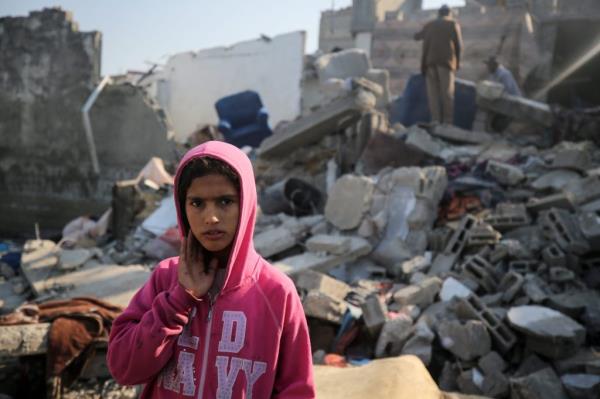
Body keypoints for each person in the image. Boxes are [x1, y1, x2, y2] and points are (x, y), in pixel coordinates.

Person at [107, 141, 315, 398]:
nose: (211, 217)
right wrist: (178, 301)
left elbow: (297, 390)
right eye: (197, 203)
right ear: (182, 208)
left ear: (246, 204)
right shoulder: (165, 278)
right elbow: (123, 369)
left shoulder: (276, 292)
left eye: (225, 201)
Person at [414, 4, 463, 125]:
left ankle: (435, 120)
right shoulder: (452, 24)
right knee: (447, 93)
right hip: (446, 63)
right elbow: (459, 46)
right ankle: (447, 123)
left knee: (433, 95)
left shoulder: (430, 24)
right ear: (449, 13)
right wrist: (458, 63)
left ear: (439, 13)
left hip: (429, 63)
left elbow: (416, 37)